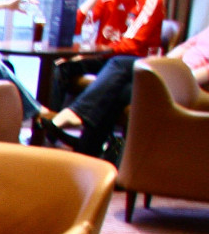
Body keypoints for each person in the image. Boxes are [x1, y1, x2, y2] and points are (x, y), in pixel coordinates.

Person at [42, 23, 209, 156]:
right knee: (119, 82)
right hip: (170, 72)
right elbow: (185, 47)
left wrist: (173, 77)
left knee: (120, 65)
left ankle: (78, 118)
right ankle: (87, 148)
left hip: (184, 85)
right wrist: (161, 65)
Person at [49, 0, 164, 111]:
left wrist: (91, 53)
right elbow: (74, 28)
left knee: (116, 67)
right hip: (105, 57)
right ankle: (48, 122)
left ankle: (74, 114)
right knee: (60, 66)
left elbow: (131, 45)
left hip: (133, 61)